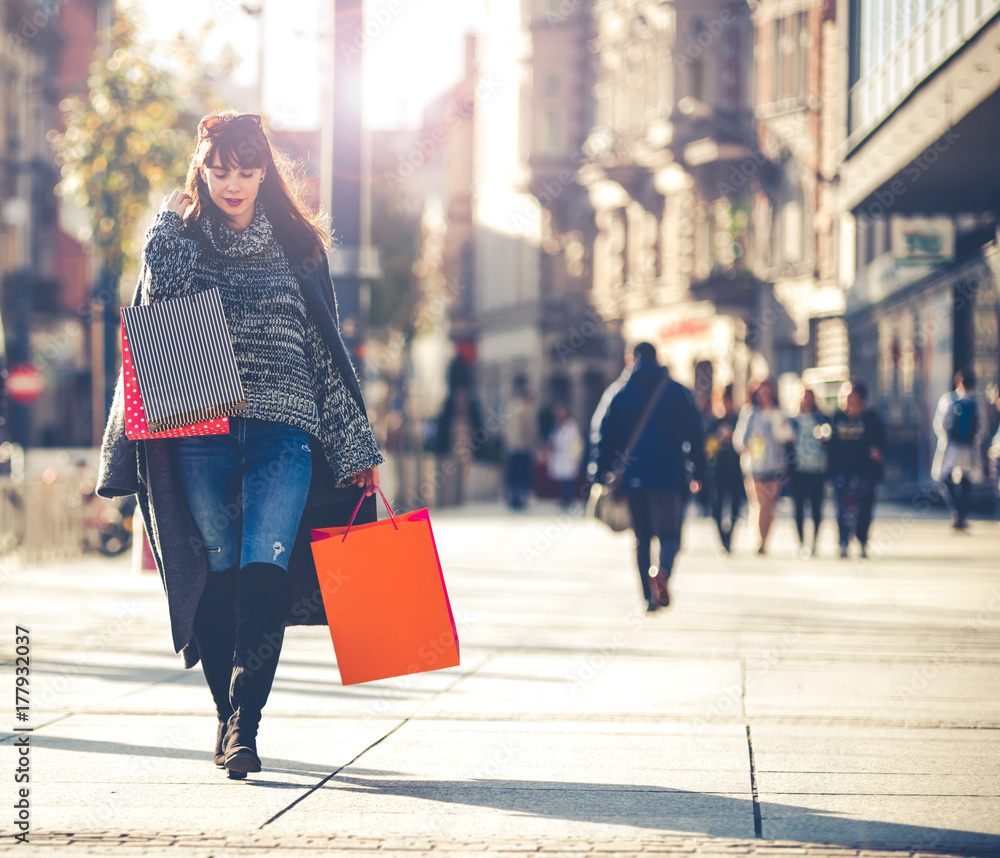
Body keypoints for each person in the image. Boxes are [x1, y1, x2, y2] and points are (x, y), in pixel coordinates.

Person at [96, 112, 383, 779]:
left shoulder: (298, 247)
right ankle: (227, 717)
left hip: (284, 434)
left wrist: (355, 446)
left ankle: (245, 725)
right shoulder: (183, 241)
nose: (234, 183)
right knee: (219, 572)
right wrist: (165, 225)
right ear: (202, 166)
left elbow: (324, 353)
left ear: (265, 171)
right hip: (203, 432)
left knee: (265, 569)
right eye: (220, 169)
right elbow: (162, 303)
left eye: (247, 170)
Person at [591, 342, 705, 612]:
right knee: (669, 536)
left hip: (631, 477)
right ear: (659, 359)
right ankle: (662, 571)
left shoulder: (618, 392)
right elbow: (695, 434)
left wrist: (599, 472)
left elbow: (602, 434)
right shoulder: (676, 391)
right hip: (668, 476)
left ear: (631, 358)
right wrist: (698, 470)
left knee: (641, 538)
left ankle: (647, 598)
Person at [732, 378, 794, 555]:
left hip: (775, 465)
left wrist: (781, 426)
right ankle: (759, 540)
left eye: (767, 391)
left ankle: (765, 540)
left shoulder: (778, 413)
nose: (764, 394)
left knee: (769, 505)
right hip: (755, 466)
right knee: (759, 503)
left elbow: (787, 437)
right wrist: (749, 445)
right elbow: (739, 439)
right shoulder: (750, 413)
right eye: (761, 391)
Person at [826, 379, 886, 558]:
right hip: (842, 471)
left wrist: (878, 451)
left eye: (850, 394)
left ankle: (862, 541)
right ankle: (843, 542)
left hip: (865, 471)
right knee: (843, 508)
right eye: (843, 394)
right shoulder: (837, 418)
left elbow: (881, 441)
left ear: (861, 397)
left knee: (864, 508)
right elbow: (830, 444)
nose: (846, 398)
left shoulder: (871, 419)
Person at [931, 368, 987, 530]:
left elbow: (939, 423)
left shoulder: (949, 400)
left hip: (955, 446)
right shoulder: (975, 402)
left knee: (948, 477)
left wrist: (946, 438)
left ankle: (958, 512)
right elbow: (982, 427)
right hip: (963, 447)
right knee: (963, 478)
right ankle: (960, 512)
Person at [788, 387, 831, 558]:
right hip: (798, 469)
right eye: (803, 397)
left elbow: (831, 440)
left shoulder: (822, 418)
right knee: (798, 507)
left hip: (817, 469)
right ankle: (800, 543)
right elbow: (786, 442)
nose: (806, 400)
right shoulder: (792, 420)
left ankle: (814, 543)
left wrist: (825, 438)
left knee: (816, 508)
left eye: (809, 397)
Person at [704, 384, 745, 555]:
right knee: (717, 506)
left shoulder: (739, 420)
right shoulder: (713, 423)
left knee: (736, 505)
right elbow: (706, 448)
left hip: (736, 469)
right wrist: (719, 440)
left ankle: (730, 535)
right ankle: (723, 539)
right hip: (717, 470)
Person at [504, 375, 538, 510]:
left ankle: (514, 498)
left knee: (514, 475)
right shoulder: (526, 409)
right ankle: (518, 499)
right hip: (521, 448)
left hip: (513, 448)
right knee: (521, 475)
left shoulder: (510, 407)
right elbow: (530, 431)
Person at [547, 402, 583, 509]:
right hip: (561, 455)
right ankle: (564, 498)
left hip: (568, 455)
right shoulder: (557, 425)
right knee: (563, 478)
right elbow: (553, 438)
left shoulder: (571, 425)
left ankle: (569, 499)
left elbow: (570, 440)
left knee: (568, 478)